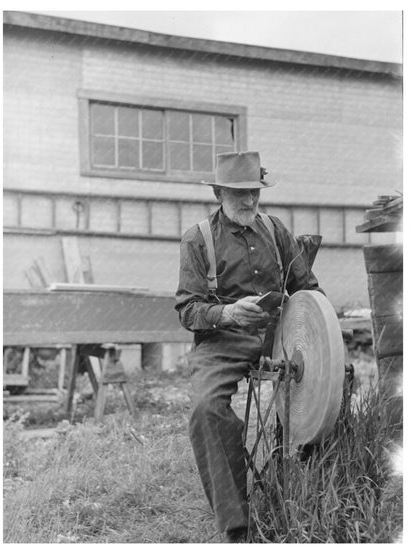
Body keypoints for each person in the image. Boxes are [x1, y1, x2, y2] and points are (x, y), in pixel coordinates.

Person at [174, 151, 323, 542]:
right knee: (206, 409)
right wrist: (226, 315)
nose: (249, 201)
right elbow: (187, 310)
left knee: (330, 379)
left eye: (254, 191)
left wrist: (314, 332)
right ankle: (237, 526)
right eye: (240, 193)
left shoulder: (275, 230)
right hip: (222, 339)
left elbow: (308, 289)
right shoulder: (198, 239)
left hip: (279, 335)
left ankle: (308, 484)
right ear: (219, 193)